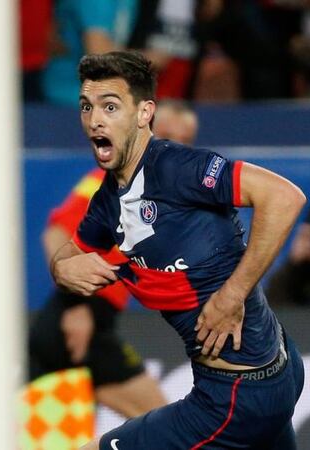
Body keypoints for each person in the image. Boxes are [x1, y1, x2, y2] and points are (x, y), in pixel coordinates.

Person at [50, 51, 306, 449]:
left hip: (235, 397)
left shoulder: (177, 167)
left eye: (110, 106)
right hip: (272, 372)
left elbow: (284, 197)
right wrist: (62, 269)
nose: (94, 119)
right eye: (87, 107)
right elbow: (66, 251)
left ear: (144, 113)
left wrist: (233, 293)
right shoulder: (106, 202)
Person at [28, 100, 198, 419]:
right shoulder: (113, 182)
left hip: (84, 325)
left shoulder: (164, 194)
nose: (174, 145)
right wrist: (76, 303)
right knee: (163, 422)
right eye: (166, 134)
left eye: (184, 139)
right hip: (77, 322)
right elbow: (55, 236)